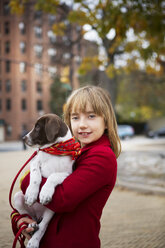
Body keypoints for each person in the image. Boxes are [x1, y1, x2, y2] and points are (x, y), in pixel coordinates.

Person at [15, 85, 121, 248]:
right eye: (75, 117)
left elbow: (61, 199)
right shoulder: (74, 151)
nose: (82, 125)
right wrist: (21, 219)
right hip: (49, 240)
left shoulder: (102, 156)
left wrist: (28, 178)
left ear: (106, 121)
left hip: (73, 243)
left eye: (91, 116)